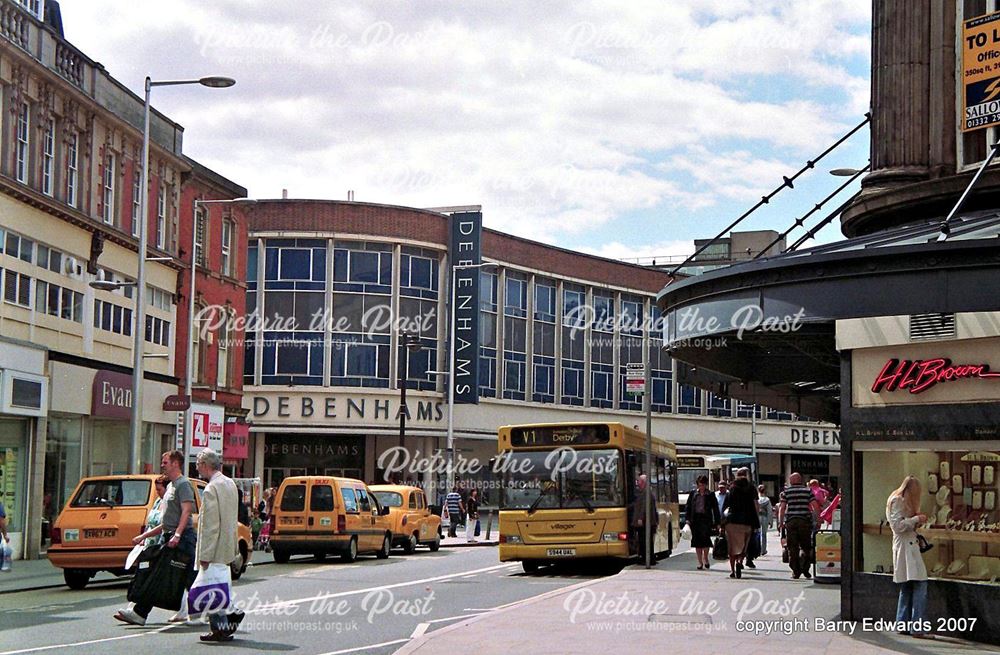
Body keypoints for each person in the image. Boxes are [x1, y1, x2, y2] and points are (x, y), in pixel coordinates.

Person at [115, 450, 196, 626]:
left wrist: (177, 534)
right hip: (170, 537)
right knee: (157, 575)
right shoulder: (172, 487)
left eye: (165, 462)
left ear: (175, 464)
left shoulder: (183, 484)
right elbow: (167, 521)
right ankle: (140, 613)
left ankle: (223, 612)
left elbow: (187, 511)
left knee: (193, 577)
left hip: (183, 539)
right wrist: (144, 535)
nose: (162, 465)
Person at [194, 449, 245, 642]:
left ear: (205, 465)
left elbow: (210, 525)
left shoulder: (210, 489)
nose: (197, 468)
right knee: (218, 586)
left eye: (198, 464)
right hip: (227, 545)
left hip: (214, 549)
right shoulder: (229, 483)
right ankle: (221, 625)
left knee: (211, 588)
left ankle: (225, 623)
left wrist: (205, 554)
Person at [888, 476, 932, 639]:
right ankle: (917, 626)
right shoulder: (898, 500)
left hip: (906, 546)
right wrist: (916, 519)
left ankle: (902, 623)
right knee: (920, 584)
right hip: (905, 547)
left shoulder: (897, 499)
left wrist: (915, 522)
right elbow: (898, 526)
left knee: (907, 586)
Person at [778, 472, 821, 580]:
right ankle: (805, 569)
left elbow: (782, 508)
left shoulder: (786, 492)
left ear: (791, 481)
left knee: (793, 547)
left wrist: (781, 522)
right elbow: (815, 506)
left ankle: (796, 571)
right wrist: (819, 520)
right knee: (806, 546)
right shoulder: (807, 491)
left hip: (791, 522)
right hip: (804, 521)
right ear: (800, 480)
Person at [721, 468, 759, 579]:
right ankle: (740, 561)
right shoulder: (751, 488)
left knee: (732, 546)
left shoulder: (732, 488)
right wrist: (756, 520)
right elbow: (756, 504)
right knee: (744, 544)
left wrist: (722, 523)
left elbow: (726, 506)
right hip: (747, 521)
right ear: (746, 475)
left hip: (732, 521)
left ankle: (732, 569)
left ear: (737, 476)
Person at [685, 474, 720, 570]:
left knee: (705, 541)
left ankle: (706, 558)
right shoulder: (693, 494)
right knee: (697, 542)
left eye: (703, 485)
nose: (701, 487)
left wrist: (718, 522)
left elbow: (715, 508)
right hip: (695, 519)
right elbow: (688, 507)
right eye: (700, 485)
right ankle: (700, 562)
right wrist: (687, 520)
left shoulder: (710, 494)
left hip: (705, 519)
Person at [630, 474, 658, 565]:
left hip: (646, 522)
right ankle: (649, 558)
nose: (637, 483)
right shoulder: (644, 492)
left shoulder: (646, 493)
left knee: (645, 541)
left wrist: (640, 518)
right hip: (647, 522)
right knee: (645, 541)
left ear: (644, 483)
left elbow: (644, 507)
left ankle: (647, 559)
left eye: (639, 482)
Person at [757, 485, 773, 556]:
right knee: (763, 534)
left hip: (757, 517)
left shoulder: (756, 499)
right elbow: (769, 511)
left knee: (757, 534)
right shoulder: (767, 500)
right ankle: (763, 550)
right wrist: (771, 521)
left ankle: (757, 549)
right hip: (764, 517)